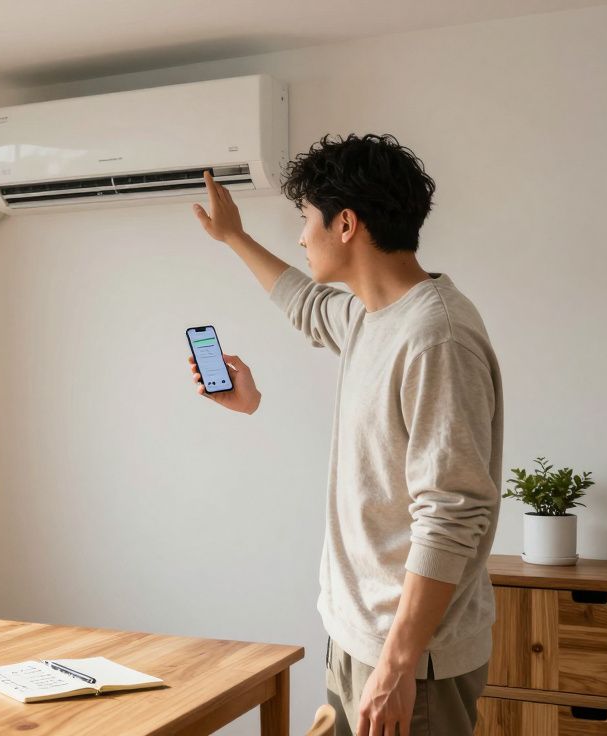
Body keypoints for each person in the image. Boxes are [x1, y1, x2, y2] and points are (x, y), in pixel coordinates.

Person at [188, 133, 502, 736]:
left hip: (411, 659)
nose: (301, 237)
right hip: (358, 636)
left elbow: (452, 512)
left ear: (347, 224)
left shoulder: (436, 337)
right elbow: (305, 304)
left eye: (306, 220)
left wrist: (397, 665)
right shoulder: (372, 317)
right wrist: (233, 237)